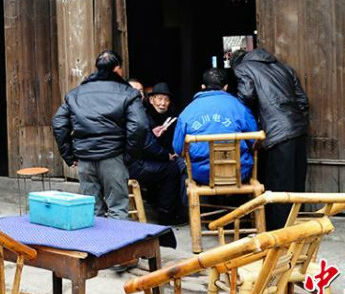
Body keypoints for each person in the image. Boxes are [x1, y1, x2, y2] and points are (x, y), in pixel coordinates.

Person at [52, 50, 147, 220]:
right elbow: (139, 126)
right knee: (117, 209)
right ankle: (117, 246)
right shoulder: (128, 93)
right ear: (118, 69)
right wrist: (129, 155)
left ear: (97, 68)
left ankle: (94, 246)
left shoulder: (76, 93)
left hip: (85, 159)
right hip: (113, 157)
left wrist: (69, 154)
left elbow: (59, 124)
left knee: (91, 211)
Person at [231, 48, 310, 229]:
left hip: (276, 132)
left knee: (279, 184)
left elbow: (246, 96)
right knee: (297, 182)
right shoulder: (284, 68)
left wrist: (253, 125)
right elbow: (303, 101)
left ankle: (278, 232)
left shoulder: (243, 69)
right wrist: (295, 122)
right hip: (298, 129)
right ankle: (298, 227)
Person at [172, 68, 258, 185]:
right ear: (226, 87)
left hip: (202, 174)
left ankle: (189, 203)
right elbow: (255, 141)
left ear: (202, 87)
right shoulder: (240, 107)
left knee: (182, 165)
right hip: (238, 171)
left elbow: (177, 148)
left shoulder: (187, 112)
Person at [126, 82, 183, 225]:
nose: (163, 103)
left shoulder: (171, 115)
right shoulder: (141, 114)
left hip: (140, 160)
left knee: (169, 165)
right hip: (134, 163)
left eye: (166, 100)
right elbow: (146, 144)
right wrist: (167, 155)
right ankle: (166, 216)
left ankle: (159, 205)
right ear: (151, 100)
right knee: (172, 169)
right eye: (159, 99)